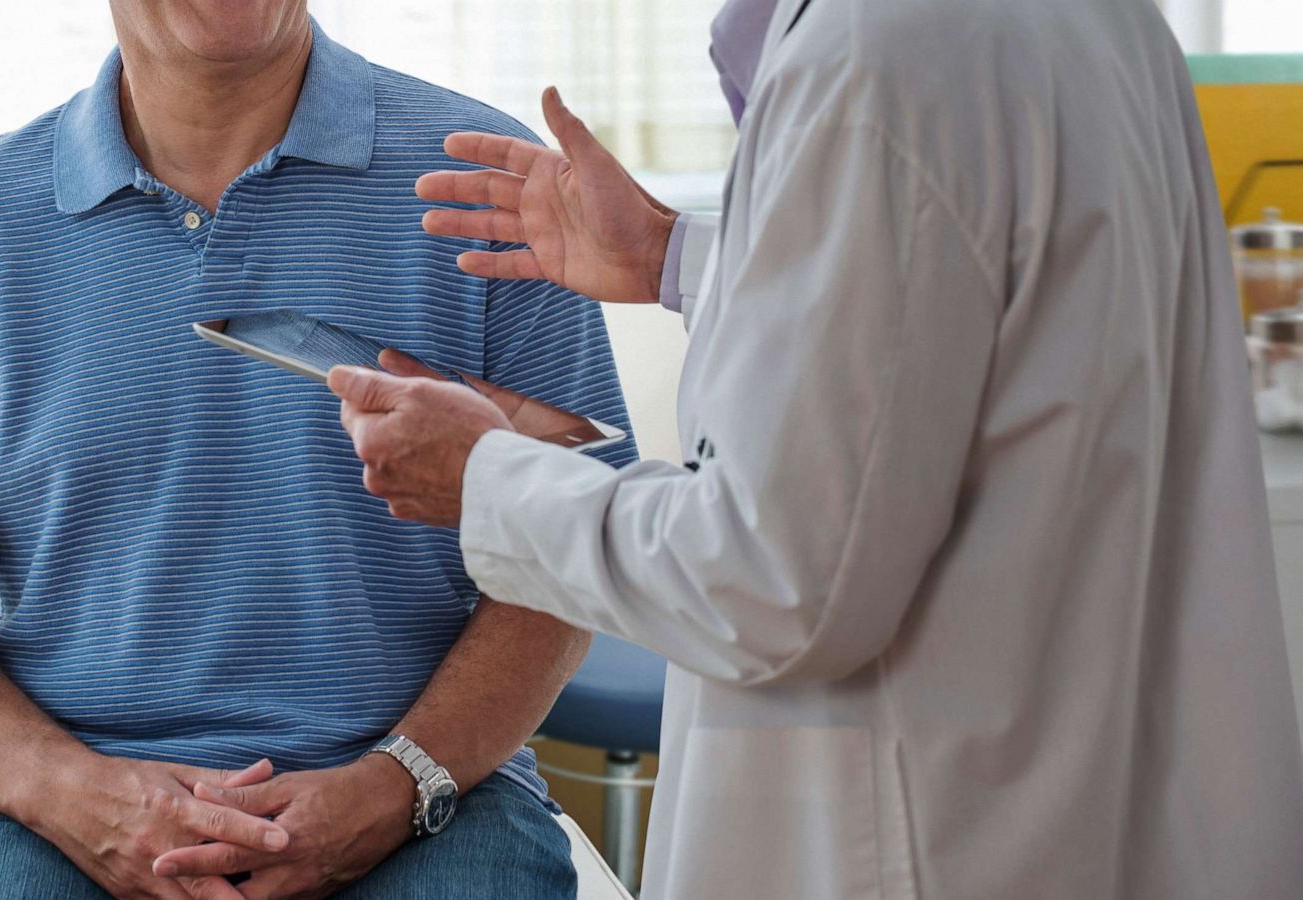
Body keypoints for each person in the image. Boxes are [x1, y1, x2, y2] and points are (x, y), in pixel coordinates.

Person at [325, 0, 1303, 897]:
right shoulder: (1089, 22)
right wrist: (682, 257)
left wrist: (487, 481)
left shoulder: (880, 58)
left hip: (939, 837)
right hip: (1077, 801)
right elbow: (974, 316)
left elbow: (779, 580)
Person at [0, 2, 635, 898]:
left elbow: (565, 563)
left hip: (424, 791)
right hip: (58, 801)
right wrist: (74, 795)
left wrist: (395, 786)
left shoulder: (480, 186)